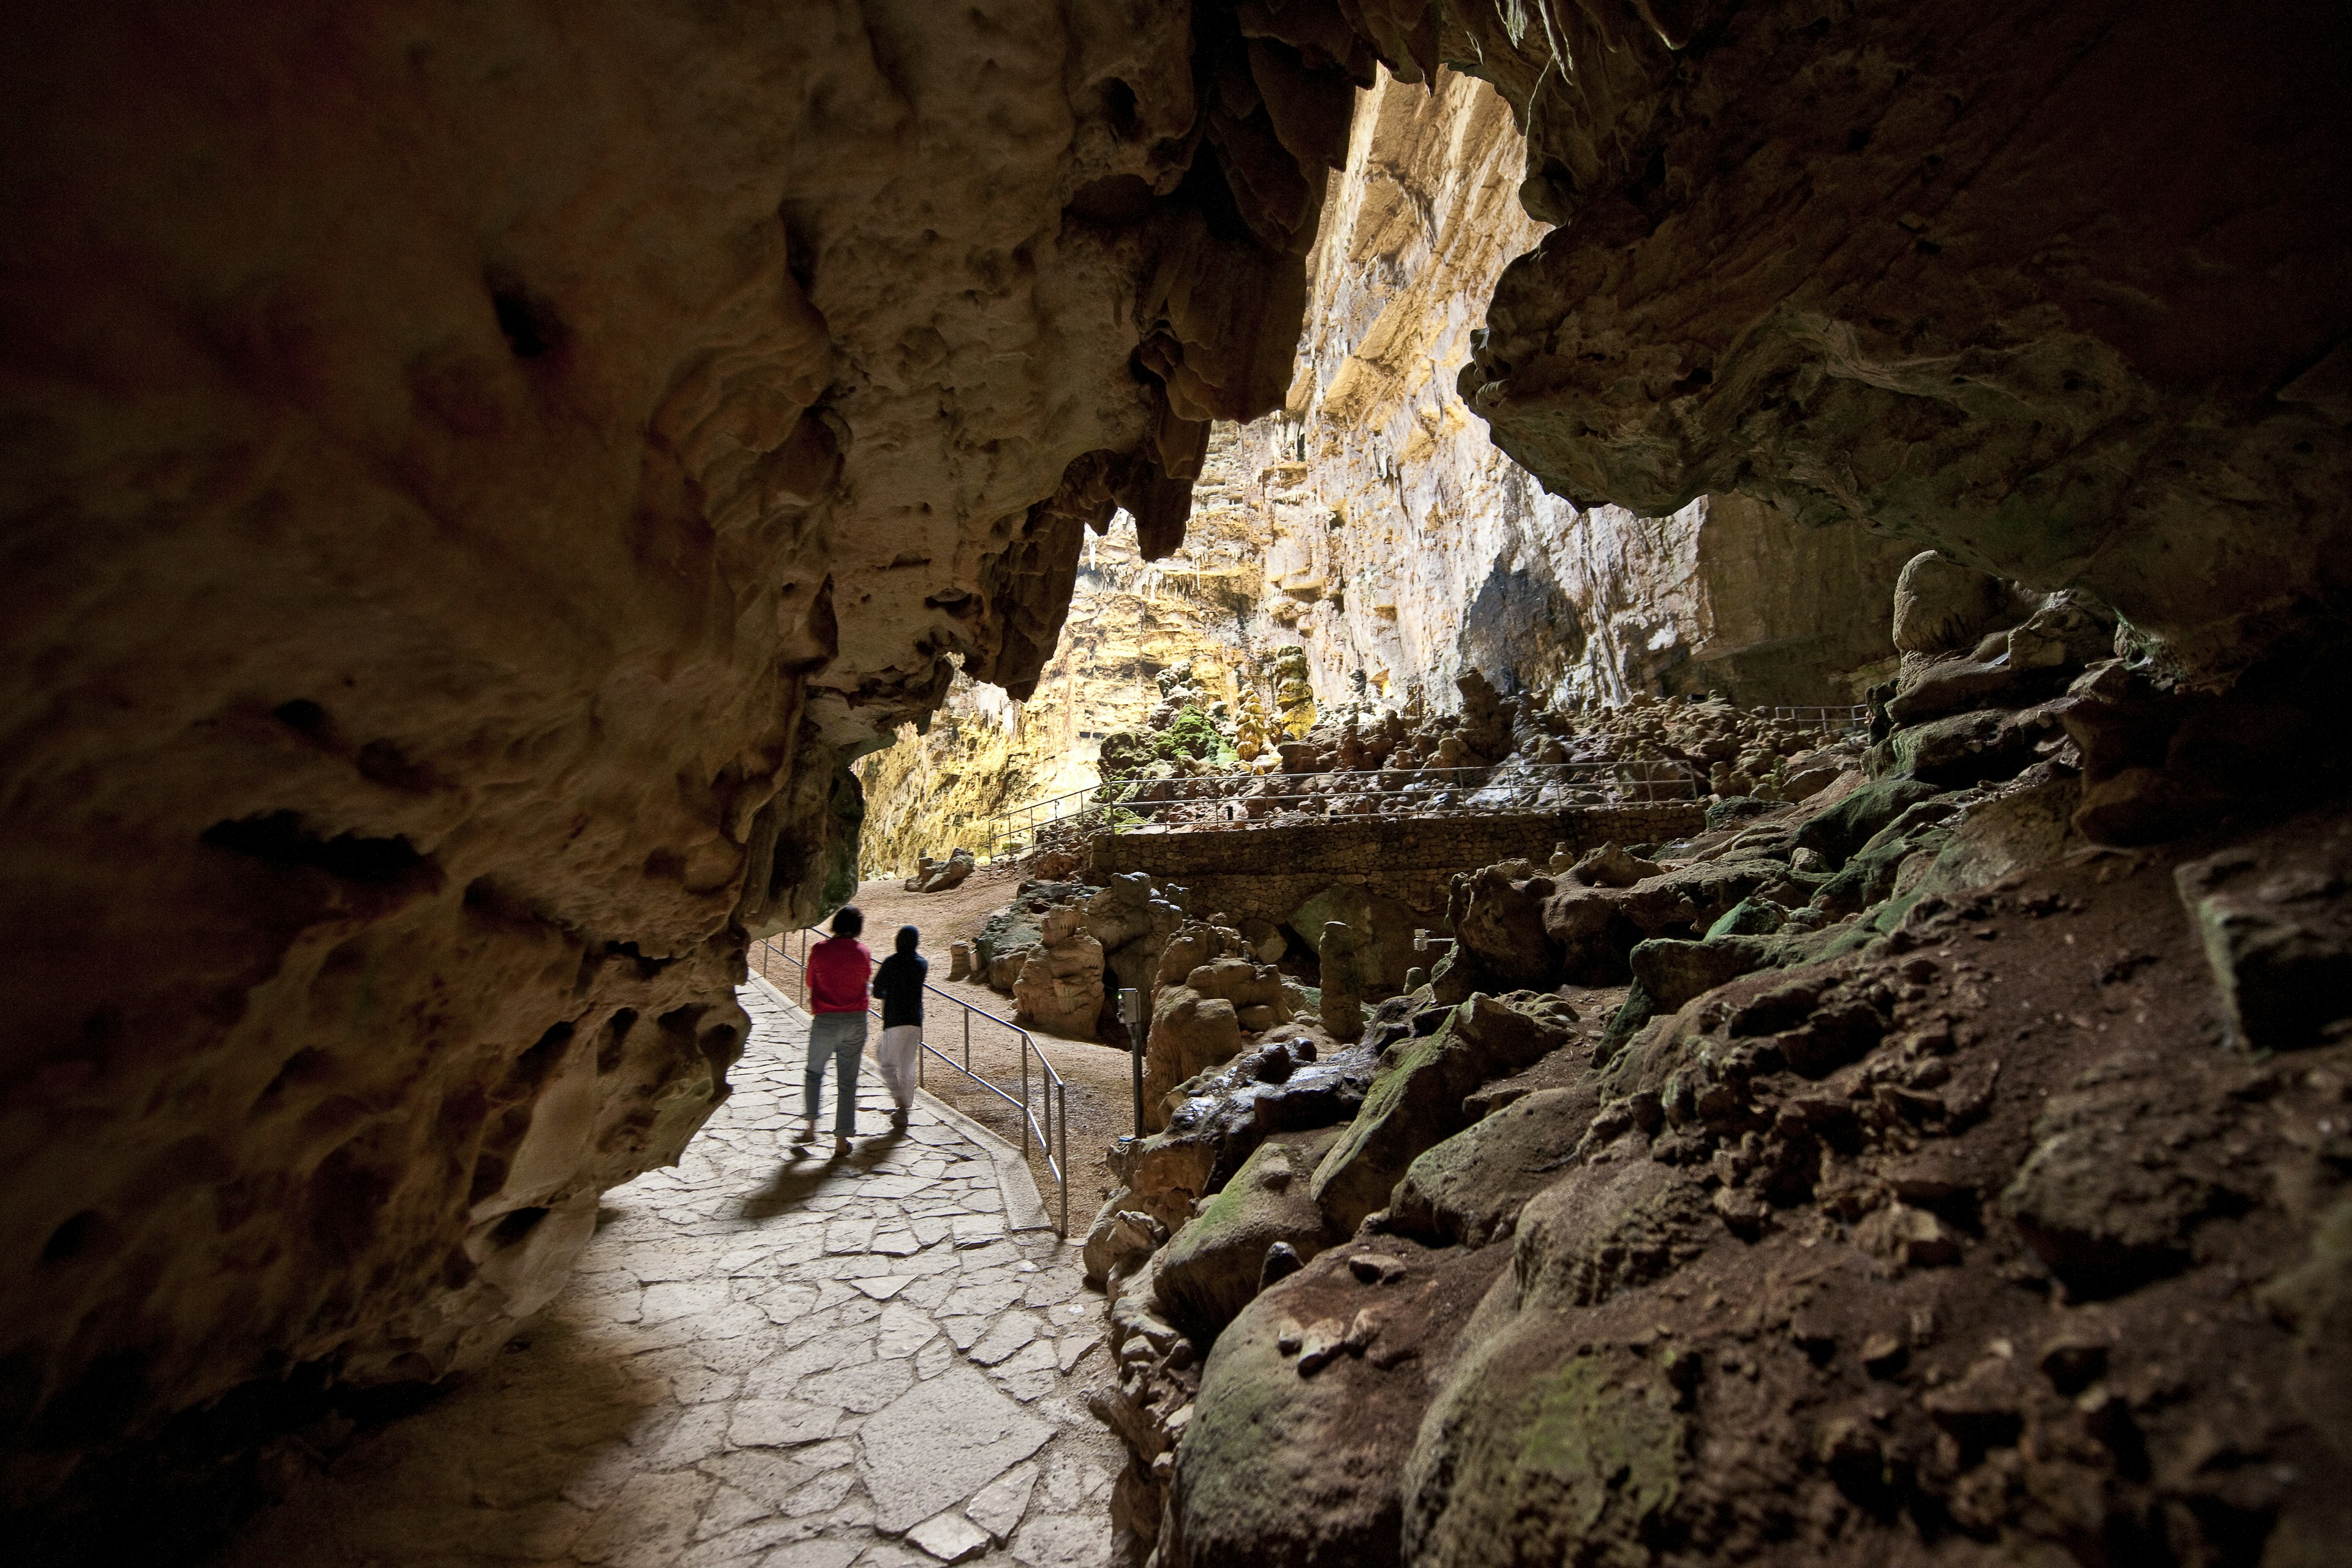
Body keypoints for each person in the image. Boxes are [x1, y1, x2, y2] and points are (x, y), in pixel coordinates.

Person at [797, 905, 871, 1155]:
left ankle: (810, 1127)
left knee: (814, 1072)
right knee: (848, 1082)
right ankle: (841, 1141)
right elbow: (865, 980)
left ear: (836, 924)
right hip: (855, 1020)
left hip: (826, 1019)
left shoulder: (819, 950)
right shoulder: (862, 953)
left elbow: (810, 981)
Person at [870, 925, 927, 1132]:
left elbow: (877, 990)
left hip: (895, 1018)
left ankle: (901, 1103)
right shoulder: (922, 964)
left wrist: (889, 993)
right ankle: (905, 1109)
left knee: (886, 1062)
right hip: (915, 1019)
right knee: (907, 1064)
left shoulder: (891, 962)